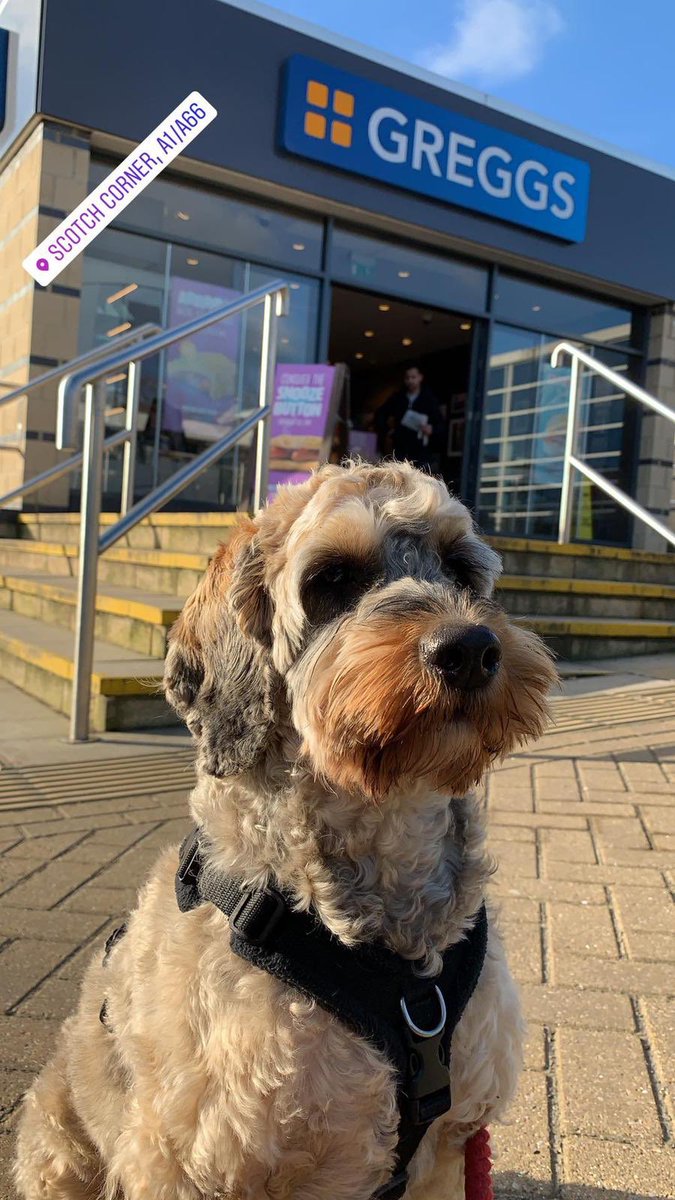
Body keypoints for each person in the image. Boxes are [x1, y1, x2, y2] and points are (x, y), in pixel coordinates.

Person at [374, 365, 442, 470]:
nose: (410, 381)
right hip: (400, 448)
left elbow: (440, 423)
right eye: (407, 378)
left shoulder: (429, 399)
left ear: (420, 377)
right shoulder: (398, 397)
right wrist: (388, 431)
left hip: (420, 451)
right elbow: (380, 413)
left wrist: (431, 429)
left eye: (413, 377)